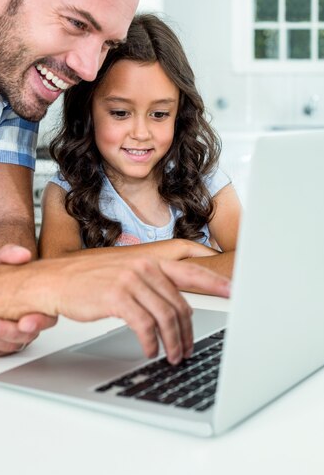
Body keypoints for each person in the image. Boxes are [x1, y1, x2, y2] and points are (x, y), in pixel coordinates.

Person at [0, 0, 230, 362]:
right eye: (76, 23)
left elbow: (3, 222)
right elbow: (23, 279)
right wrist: (19, 289)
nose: (90, 70)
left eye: (106, 44)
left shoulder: (9, 79)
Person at [39, 14, 241, 288]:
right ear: (87, 111)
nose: (141, 133)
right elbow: (57, 271)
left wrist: (138, 270)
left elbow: (250, 266)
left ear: (178, 114)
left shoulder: (208, 184)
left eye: (159, 114)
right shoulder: (66, 191)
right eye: (120, 113)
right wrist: (179, 250)